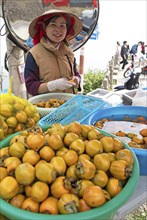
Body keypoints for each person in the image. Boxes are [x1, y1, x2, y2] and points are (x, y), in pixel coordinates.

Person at [24, 9, 83, 96]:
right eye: (53, 25)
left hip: (70, 105)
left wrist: (77, 79)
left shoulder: (68, 52)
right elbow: (30, 87)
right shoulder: (34, 54)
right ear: (44, 28)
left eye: (62, 26)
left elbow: (76, 73)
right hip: (47, 107)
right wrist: (52, 85)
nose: (58, 30)